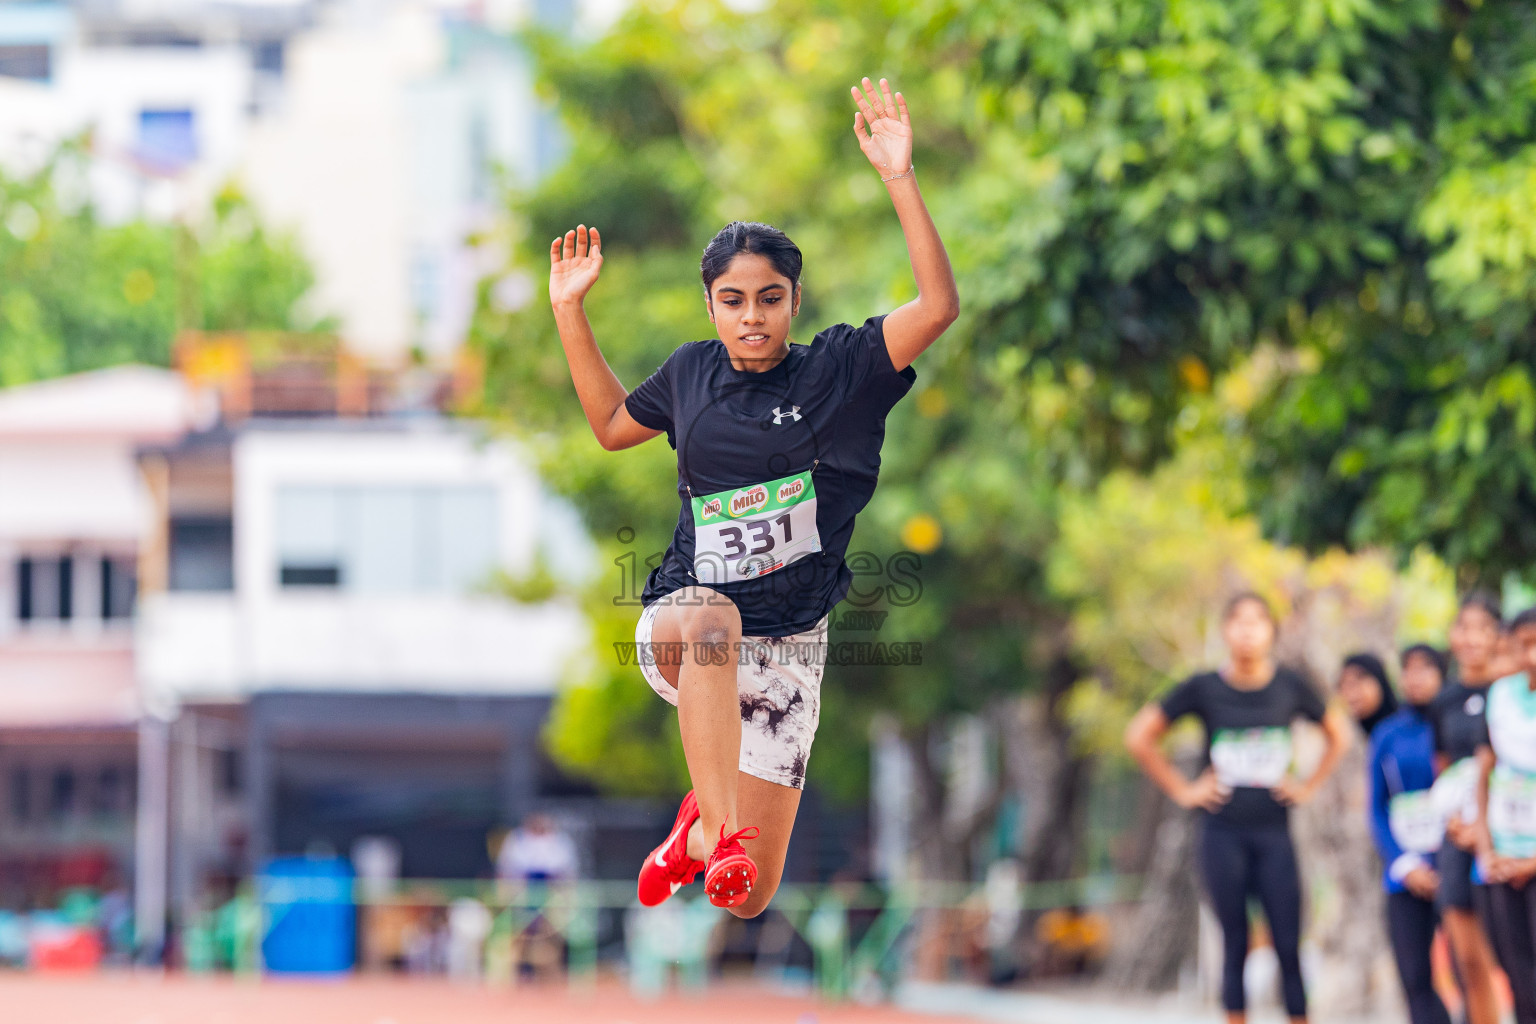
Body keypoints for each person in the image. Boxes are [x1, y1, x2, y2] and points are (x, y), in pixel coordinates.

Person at [546, 76, 958, 915]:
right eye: (732, 302)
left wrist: (899, 178)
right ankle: (721, 829)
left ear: (794, 301)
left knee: (747, 897)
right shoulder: (691, 370)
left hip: (790, 641)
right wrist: (569, 313)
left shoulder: (841, 370)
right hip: (687, 622)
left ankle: (702, 832)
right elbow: (614, 427)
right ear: (710, 305)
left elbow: (939, 306)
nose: (751, 318)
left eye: (769, 300)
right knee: (711, 620)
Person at [1124, 592, 1351, 1024]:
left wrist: (1307, 786)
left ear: (1272, 633)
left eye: (1257, 622)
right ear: (1225, 630)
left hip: (1275, 835)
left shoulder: (1290, 685)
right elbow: (1139, 735)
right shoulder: (1203, 687)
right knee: (1235, 940)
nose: (1247, 631)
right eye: (1238, 621)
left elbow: (1337, 733)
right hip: (1222, 833)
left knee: (1288, 941)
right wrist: (1184, 790)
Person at [1430, 593, 1506, 1024]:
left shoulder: (1514, 690)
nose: (1473, 638)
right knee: (1469, 962)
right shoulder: (1444, 700)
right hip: (1457, 838)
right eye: (1464, 627)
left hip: (1508, 836)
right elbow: (1445, 768)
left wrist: (1487, 827)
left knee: (1513, 958)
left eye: (1483, 627)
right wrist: (1458, 821)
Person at [1368, 644, 1454, 1024]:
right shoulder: (1387, 734)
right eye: (1407, 669)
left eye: (1425, 669)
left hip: (1454, 865)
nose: (1415, 678)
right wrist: (1404, 863)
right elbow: (1376, 806)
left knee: (1469, 968)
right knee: (1415, 976)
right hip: (1406, 873)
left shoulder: (1457, 724)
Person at [1474, 608, 1536, 1022]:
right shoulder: (1500, 698)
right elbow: (1484, 775)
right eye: (1523, 645)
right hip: (1502, 857)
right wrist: (1485, 849)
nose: (1531, 655)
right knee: (1518, 975)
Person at [1340, 652, 1399, 737]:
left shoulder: (1407, 730)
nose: (1350, 694)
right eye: (1343, 685)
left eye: (1355, 684)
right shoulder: (1348, 735)